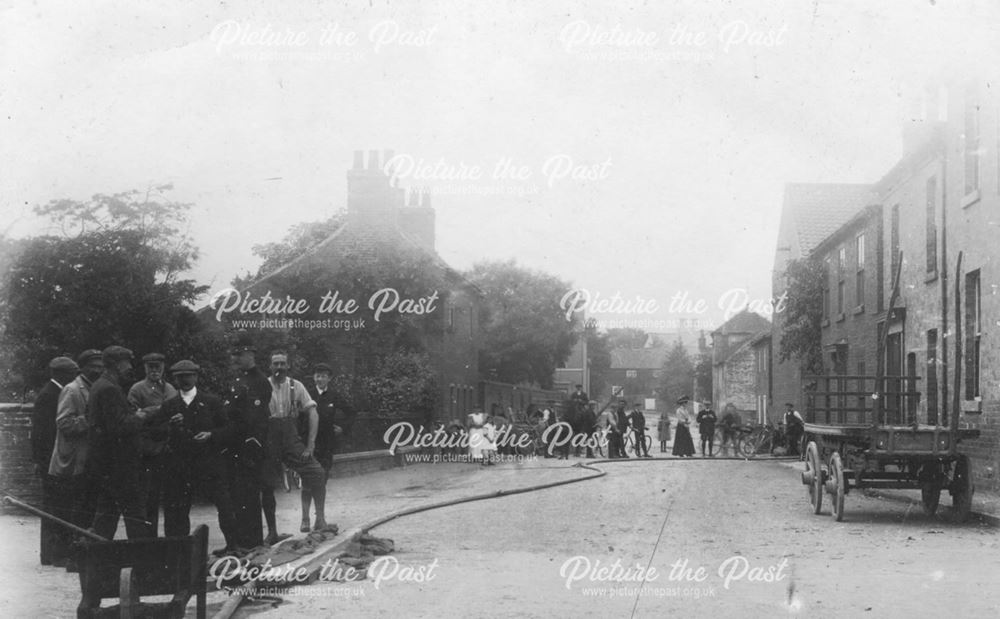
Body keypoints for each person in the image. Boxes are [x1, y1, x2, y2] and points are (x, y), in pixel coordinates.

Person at [157, 360, 239, 554]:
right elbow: (155, 432)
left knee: (224, 504)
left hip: (209, 462)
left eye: (188, 376)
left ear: (196, 377)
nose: (185, 380)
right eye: (180, 377)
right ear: (175, 379)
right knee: (176, 510)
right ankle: (178, 552)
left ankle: (232, 546)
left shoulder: (212, 401)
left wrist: (211, 435)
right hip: (180, 466)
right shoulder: (169, 406)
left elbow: (229, 429)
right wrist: (169, 425)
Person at [88, 346, 152, 540]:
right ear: (116, 364)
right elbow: (118, 427)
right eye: (127, 362)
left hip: (108, 464)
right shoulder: (109, 389)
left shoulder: (100, 385)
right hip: (120, 466)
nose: (130, 367)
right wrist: (141, 416)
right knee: (135, 516)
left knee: (106, 516)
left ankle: (97, 565)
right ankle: (142, 567)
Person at [264, 350, 329, 538]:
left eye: (282, 364)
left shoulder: (296, 386)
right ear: (270, 366)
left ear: (288, 366)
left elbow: (313, 413)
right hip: (269, 439)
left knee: (317, 472)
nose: (279, 367)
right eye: (275, 364)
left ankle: (320, 519)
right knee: (266, 484)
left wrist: (310, 445)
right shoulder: (263, 385)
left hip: (291, 439)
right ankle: (272, 533)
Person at [49, 349, 103, 571]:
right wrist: (91, 420)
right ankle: (72, 557)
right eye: (94, 365)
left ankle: (82, 554)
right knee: (74, 510)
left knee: (87, 509)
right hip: (73, 462)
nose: (98, 369)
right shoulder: (72, 390)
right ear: (83, 368)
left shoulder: (95, 388)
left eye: (101, 365)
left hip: (88, 460)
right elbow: (64, 423)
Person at [225, 332, 272, 549]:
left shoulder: (260, 381)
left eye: (239, 354)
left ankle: (253, 542)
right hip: (235, 445)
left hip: (250, 446)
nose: (234, 359)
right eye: (233, 355)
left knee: (250, 495)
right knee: (237, 495)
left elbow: (256, 418)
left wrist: (251, 446)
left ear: (250, 354)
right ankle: (241, 541)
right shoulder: (237, 380)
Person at [32, 356, 79, 566]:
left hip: (50, 459)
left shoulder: (53, 392)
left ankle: (52, 554)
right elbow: (41, 433)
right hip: (50, 459)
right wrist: (41, 461)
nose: (74, 376)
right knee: (55, 506)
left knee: (55, 506)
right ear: (61, 374)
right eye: (72, 372)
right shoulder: (50, 395)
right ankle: (54, 554)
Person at [127, 352, 178, 537]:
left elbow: (176, 410)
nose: (155, 370)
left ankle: (172, 541)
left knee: (172, 496)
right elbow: (134, 417)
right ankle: (150, 539)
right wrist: (160, 410)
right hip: (149, 449)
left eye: (158, 366)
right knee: (150, 498)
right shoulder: (137, 389)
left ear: (164, 367)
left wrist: (151, 411)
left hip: (169, 447)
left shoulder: (170, 388)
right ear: (145, 368)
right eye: (151, 366)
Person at [304, 362, 345, 532]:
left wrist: (342, 427)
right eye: (317, 375)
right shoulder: (307, 394)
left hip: (326, 446)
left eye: (323, 376)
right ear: (314, 377)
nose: (320, 378)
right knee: (307, 481)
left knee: (322, 481)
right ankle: (305, 519)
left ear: (329, 378)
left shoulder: (334, 396)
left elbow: (351, 411)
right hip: (309, 445)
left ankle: (319, 518)